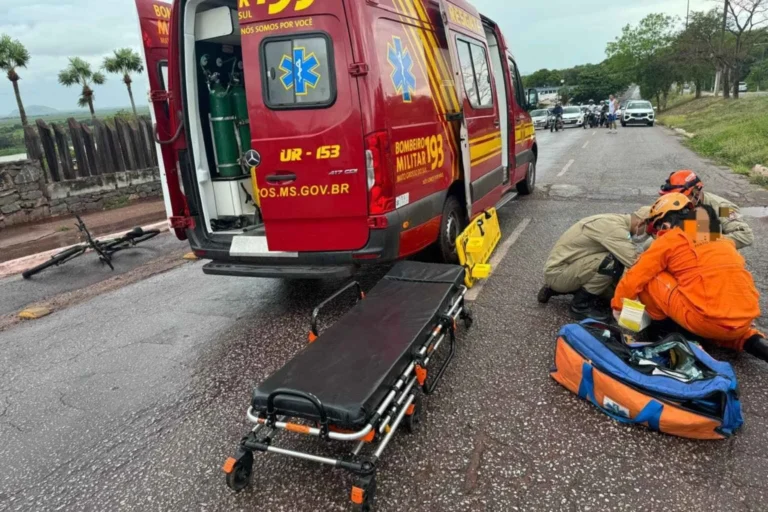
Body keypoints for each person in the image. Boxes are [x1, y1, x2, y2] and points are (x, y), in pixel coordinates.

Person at [611, 193, 767, 363]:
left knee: (651, 276)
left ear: (665, 223)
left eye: (656, 229)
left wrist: (618, 306)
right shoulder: (718, 237)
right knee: (728, 328)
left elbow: (636, 275)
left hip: (703, 320)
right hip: (743, 320)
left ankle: (665, 334)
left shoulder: (670, 239)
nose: (656, 235)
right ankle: (755, 342)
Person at [538, 207, 652, 321]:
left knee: (611, 291)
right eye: (648, 232)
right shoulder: (615, 230)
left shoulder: (617, 221)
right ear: (641, 223)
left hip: (563, 268)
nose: (647, 236)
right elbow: (634, 263)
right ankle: (579, 306)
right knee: (611, 264)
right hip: (559, 274)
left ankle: (556, 289)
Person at [659, 170, 754, 249]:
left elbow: (745, 235)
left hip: (714, 252)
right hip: (684, 244)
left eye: (681, 197)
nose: (676, 201)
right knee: (651, 245)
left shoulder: (722, 208)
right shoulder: (674, 204)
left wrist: (704, 242)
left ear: (696, 192)